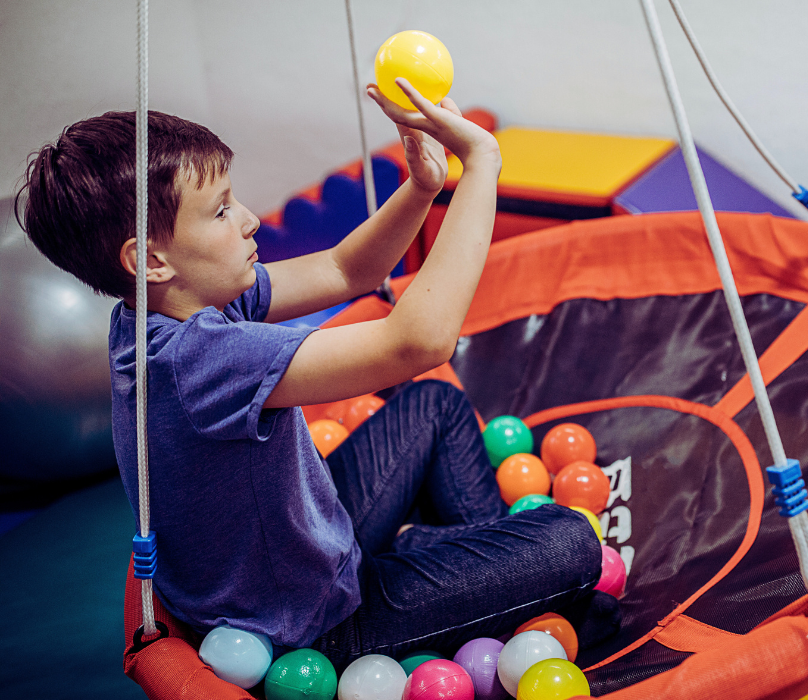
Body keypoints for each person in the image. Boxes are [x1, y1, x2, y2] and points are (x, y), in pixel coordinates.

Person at [16, 78, 616, 669]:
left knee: (435, 405)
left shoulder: (167, 306)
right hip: (313, 622)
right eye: (221, 210)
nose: (250, 219)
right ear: (149, 259)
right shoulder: (194, 360)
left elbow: (343, 268)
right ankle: (463, 572)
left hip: (310, 539)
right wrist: (481, 163)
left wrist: (423, 186)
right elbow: (420, 340)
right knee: (571, 540)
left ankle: (463, 569)